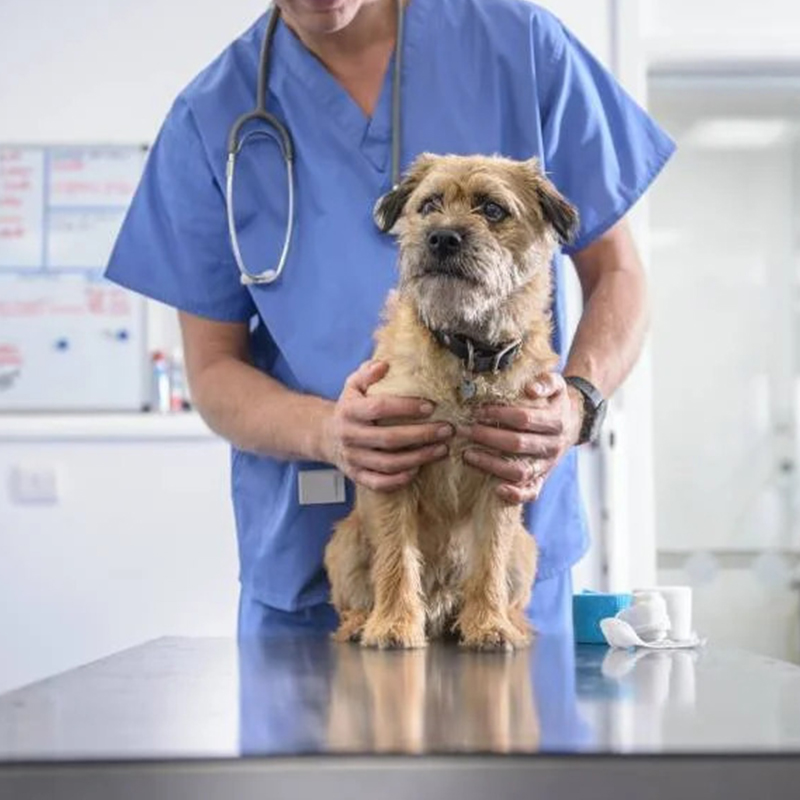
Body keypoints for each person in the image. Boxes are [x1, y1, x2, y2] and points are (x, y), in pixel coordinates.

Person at [105, 0, 675, 640]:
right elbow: (212, 369)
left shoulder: (520, 45)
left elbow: (619, 275)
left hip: (503, 549)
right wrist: (330, 433)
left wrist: (576, 404)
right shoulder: (211, 116)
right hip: (313, 566)